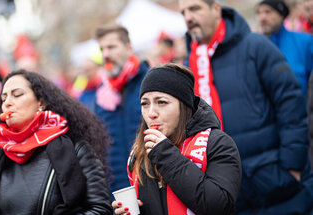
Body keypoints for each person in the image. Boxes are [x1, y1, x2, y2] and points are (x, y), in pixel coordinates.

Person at [179, 0, 313, 214]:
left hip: (278, 182)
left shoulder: (255, 46)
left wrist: (292, 165)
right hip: (231, 190)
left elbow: (290, 102)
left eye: (195, 8)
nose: (188, 17)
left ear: (216, 9)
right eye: (183, 12)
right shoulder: (191, 65)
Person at [0, 70, 113, 214]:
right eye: (3, 98)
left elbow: (101, 209)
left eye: (17, 95)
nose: (7, 102)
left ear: (41, 102)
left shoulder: (76, 148)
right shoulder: (1, 155)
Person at [111, 64, 241, 215]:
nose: (151, 113)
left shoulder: (217, 144)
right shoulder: (139, 153)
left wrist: (166, 155)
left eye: (162, 102)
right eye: (145, 104)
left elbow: (218, 206)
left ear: (183, 106)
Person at [94, 23, 150, 193]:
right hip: (119, 191)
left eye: (111, 47)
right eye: (102, 49)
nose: (106, 54)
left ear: (128, 48)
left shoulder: (150, 82)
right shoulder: (102, 95)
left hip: (152, 185)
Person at [256, 0, 313, 95]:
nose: (262, 18)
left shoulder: (304, 42)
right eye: (259, 13)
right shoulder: (256, 48)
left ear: (281, 15)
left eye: (268, 12)